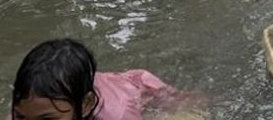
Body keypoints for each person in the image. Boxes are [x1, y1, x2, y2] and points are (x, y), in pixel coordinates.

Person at [12, 39, 187, 120]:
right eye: (20, 118)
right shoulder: (31, 110)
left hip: (140, 91)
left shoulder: (119, 115)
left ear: (86, 105)